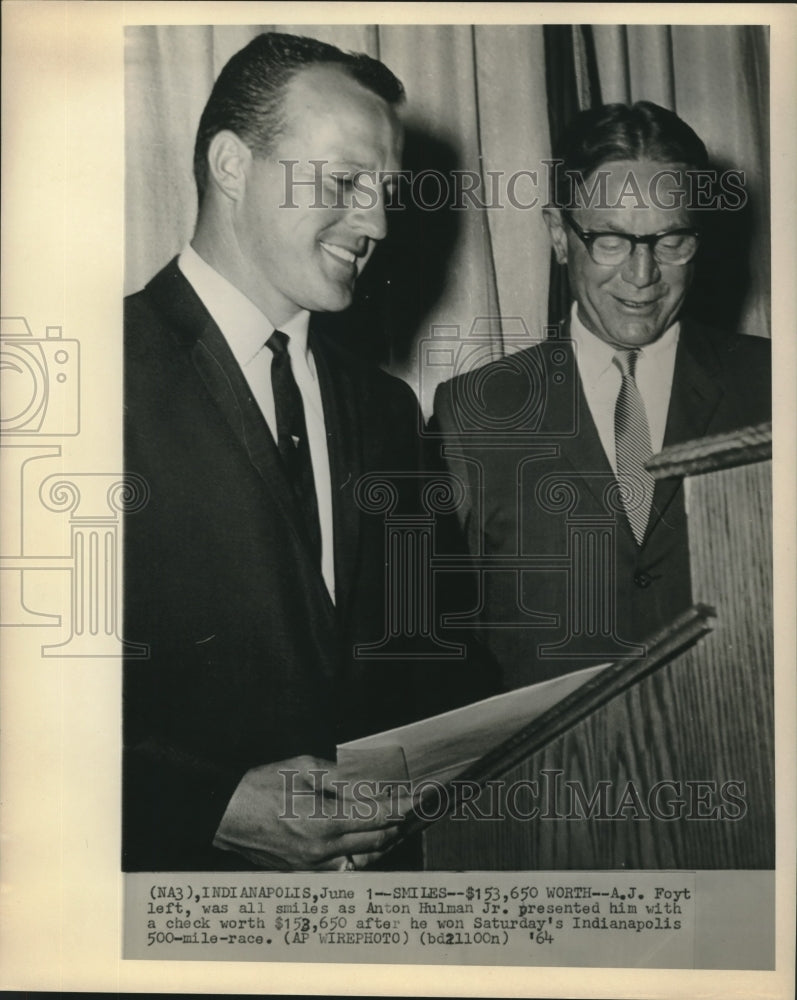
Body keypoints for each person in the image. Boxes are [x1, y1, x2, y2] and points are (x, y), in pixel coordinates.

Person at [123, 32, 493, 873]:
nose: (378, 221)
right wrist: (208, 806)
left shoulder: (389, 411)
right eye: (343, 183)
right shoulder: (81, 376)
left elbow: (434, 661)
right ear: (229, 165)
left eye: (385, 191)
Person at [431, 101, 771, 689]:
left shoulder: (773, 385)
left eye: (672, 241)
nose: (642, 275)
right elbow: (442, 650)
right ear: (560, 236)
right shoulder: (474, 412)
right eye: (611, 240)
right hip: (553, 780)